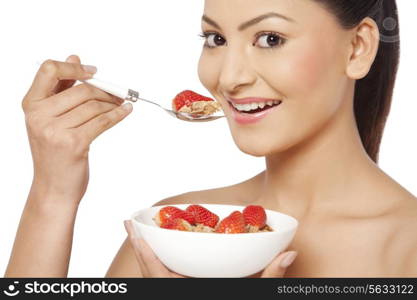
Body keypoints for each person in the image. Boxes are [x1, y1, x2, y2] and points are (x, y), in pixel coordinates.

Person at [5, 0, 417, 278]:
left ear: (358, 48)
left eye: (270, 39)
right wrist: (53, 193)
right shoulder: (174, 232)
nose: (228, 77)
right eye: (216, 39)